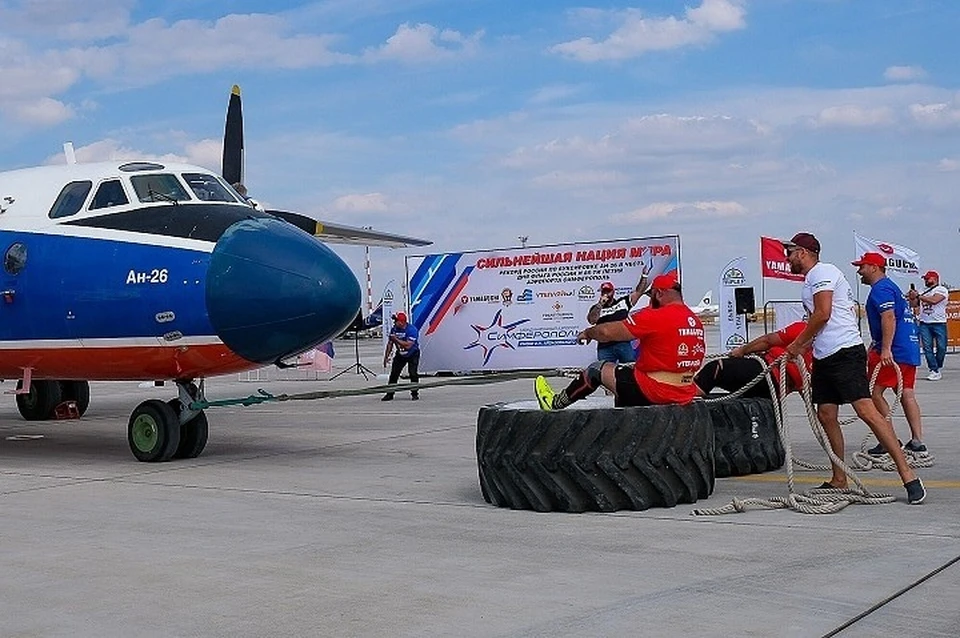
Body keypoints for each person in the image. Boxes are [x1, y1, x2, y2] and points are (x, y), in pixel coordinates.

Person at [782, 233, 925, 503]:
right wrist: (807, 346)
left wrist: (798, 345)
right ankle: (839, 477)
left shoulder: (822, 272)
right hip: (825, 354)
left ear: (802, 252)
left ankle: (908, 475)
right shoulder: (812, 280)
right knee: (826, 414)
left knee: (867, 411)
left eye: (790, 253)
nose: (787, 259)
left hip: (845, 352)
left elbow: (823, 313)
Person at [535, 273, 704, 409]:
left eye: (652, 297)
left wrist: (587, 333)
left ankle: (555, 403)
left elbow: (605, 332)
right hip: (684, 390)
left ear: (659, 294)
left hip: (656, 391)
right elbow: (593, 318)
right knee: (624, 378)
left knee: (596, 369)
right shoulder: (694, 319)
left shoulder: (654, 315)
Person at [853, 252, 928, 456]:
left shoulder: (881, 289)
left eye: (862, 266)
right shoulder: (891, 287)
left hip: (893, 351)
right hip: (908, 348)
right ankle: (917, 441)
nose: (859, 271)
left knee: (873, 394)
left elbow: (888, 317)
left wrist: (885, 349)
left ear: (875, 267)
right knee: (906, 393)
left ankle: (889, 441)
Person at [694, 321, 810, 401]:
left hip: (768, 372)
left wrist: (742, 350)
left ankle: (685, 403)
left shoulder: (804, 329)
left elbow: (768, 341)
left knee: (715, 369)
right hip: (778, 389)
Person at [585, 262, 652, 364]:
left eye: (608, 291)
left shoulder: (623, 302)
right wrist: (600, 304)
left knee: (629, 369)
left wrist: (644, 275)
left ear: (613, 292)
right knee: (604, 370)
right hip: (605, 346)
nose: (606, 293)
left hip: (623, 344)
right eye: (604, 291)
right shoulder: (597, 308)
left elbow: (638, 292)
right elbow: (591, 320)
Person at [909, 270, 948, 380]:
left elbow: (935, 300)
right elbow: (914, 305)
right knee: (927, 347)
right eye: (925, 279)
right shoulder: (922, 291)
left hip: (939, 322)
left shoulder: (941, 290)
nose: (926, 280)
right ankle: (933, 369)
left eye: (928, 278)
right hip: (924, 322)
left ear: (935, 279)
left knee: (941, 347)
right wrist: (913, 297)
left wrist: (919, 296)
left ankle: (937, 365)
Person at [382, 312, 420, 401]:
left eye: (396, 321)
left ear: (402, 322)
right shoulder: (394, 329)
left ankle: (414, 393)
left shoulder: (412, 330)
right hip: (400, 355)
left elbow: (408, 345)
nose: (394, 323)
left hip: (412, 353)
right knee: (394, 374)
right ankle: (390, 393)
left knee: (413, 373)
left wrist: (396, 339)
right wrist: (386, 357)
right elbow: (390, 343)